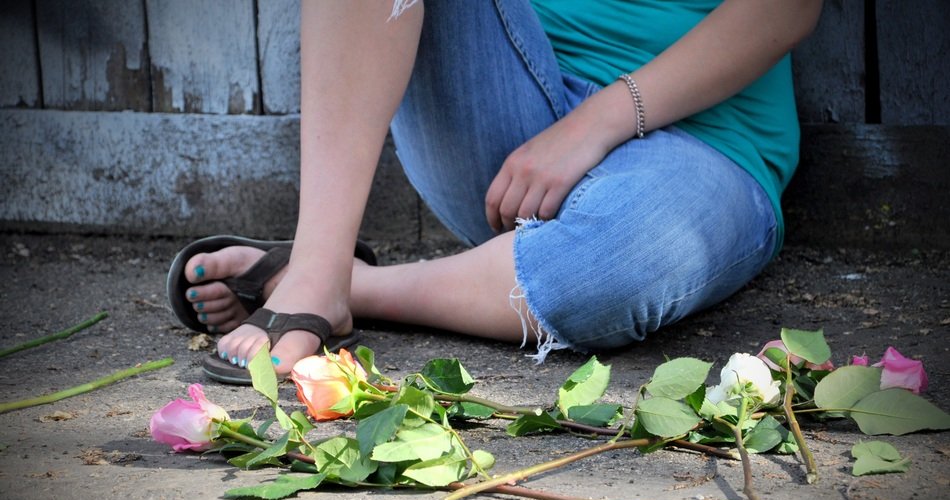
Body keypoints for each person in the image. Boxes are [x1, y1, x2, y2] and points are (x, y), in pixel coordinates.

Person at [167, 0, 823, 384]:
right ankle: (317, 268)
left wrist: (596, 124)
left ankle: (345, 285)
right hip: (508, 105)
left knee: (604, 272)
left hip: (707, 138)